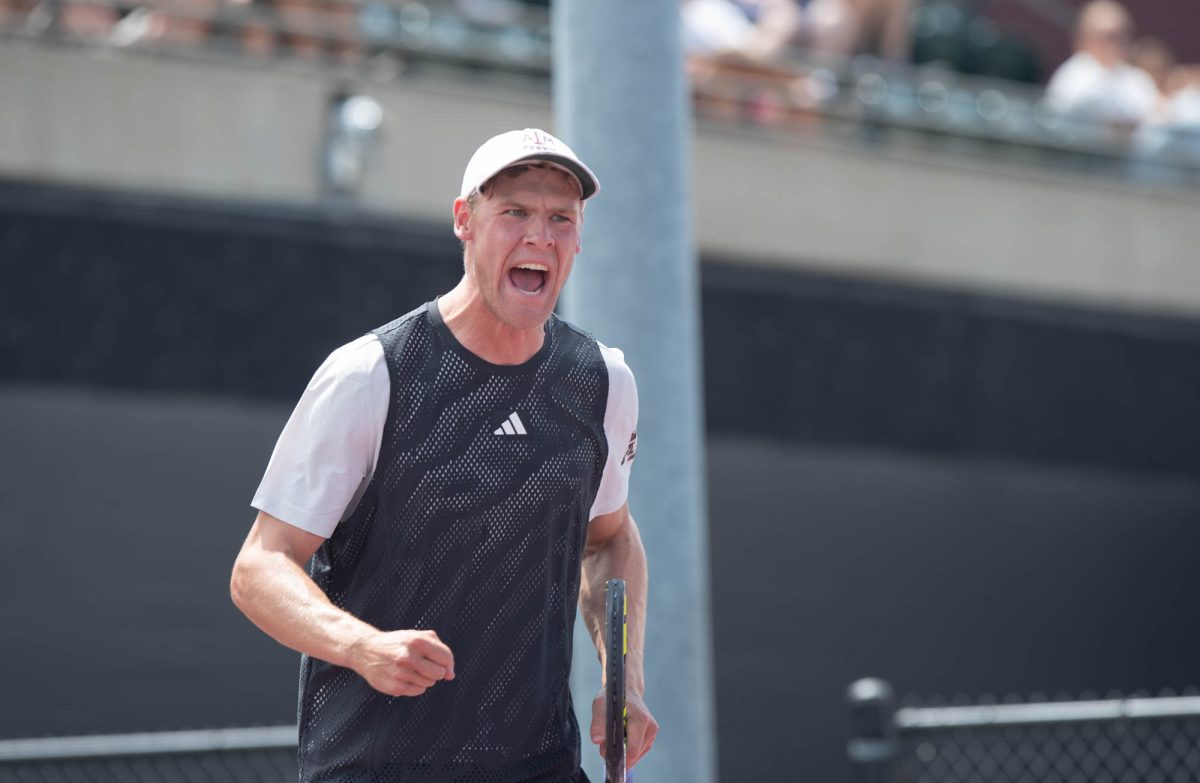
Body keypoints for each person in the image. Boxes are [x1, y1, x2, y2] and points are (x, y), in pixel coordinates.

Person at [230, 128, 657, 783]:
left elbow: (608, 540)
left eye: (560, 219)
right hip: (375, 767)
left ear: (577, 237)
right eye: (514, 211)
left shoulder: (603, 380)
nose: (539, 235)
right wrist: (362, 645)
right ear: (465, 220)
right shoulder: (370, 374)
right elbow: (259, 565)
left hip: (539, 767)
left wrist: (623, 674)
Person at [1045, 0, 1157, 138]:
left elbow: (1155, 120)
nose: (1117, 44)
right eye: (1110, 36)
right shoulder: (1072, 75)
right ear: (1084, 37)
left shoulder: (1136, 78)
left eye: (1123, 35)